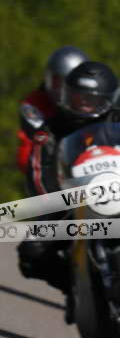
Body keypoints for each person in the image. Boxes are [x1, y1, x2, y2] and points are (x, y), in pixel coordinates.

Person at [17, 61, 119, 309]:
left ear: (107, 100)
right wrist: (52, 203)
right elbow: (38, 171)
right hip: (69, 202)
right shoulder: (51, 129)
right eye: (77, 97)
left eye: (91, 100)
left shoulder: (117, 119)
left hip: (113, 191)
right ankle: (77, 291)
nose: (83, 104)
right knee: (32, 253)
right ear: (65, 95)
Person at [16, 46, 89, 175]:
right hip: (58, 174)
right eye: (58, 83)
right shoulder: (35, 105)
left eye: (70, 84)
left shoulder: (97, 102)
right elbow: (26, 157)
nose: (62, 90)